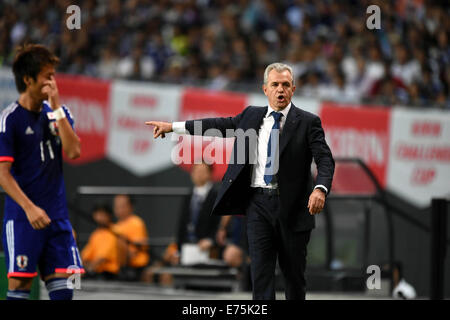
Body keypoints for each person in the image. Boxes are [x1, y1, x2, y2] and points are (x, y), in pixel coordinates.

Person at [146, 62, 335, 300]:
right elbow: (217, 126)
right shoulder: (251, 116)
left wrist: (320, 188)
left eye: (285, 85)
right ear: (265, 89)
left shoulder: (308, 122)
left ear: (293, 89)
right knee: (260, 275)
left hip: (293, 209)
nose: (280, 90)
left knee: (293, 277)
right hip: (257, 206)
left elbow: (325, 159)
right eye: (275, 84)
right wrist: (173, 127)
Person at [0, 44, 83, 300]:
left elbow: (74, 151)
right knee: (19, 290)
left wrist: (56, 108)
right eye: (47, 76)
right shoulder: (9, 119)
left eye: (53, 76)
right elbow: (2, 174)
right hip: (24, 218)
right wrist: (29, 207)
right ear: (28, 79)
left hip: (57, 218)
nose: (53, 82)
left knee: (65, 292)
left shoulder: (58, 113)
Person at [142, 162, 221, 285]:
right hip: (186, 247)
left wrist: (210, 240)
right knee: (160, 273)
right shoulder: (189, 196)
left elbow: (220, 225)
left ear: (210, 174)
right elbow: (182, 225)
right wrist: (178, 250)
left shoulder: (216, 196)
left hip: (206, 249)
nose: (198, 175)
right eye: (196, 171)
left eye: (202, 171)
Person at [112, 194, 149, 281]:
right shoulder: (115, 226)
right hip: (116, 266)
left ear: (130, 206)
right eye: (116, 206)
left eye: (122, 206)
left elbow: (134, 251)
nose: (119, 209)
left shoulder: (136, 223)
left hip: (135, 267)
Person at [81, 204, 119, 280]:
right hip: (95, 273)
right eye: (97, 214)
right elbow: (84, 256)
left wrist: (88, 269)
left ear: (109, 215)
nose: (99, 217)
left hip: (109, 275)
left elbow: (103, 257)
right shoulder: (96, 234)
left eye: (102, 214)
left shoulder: (115, 231)